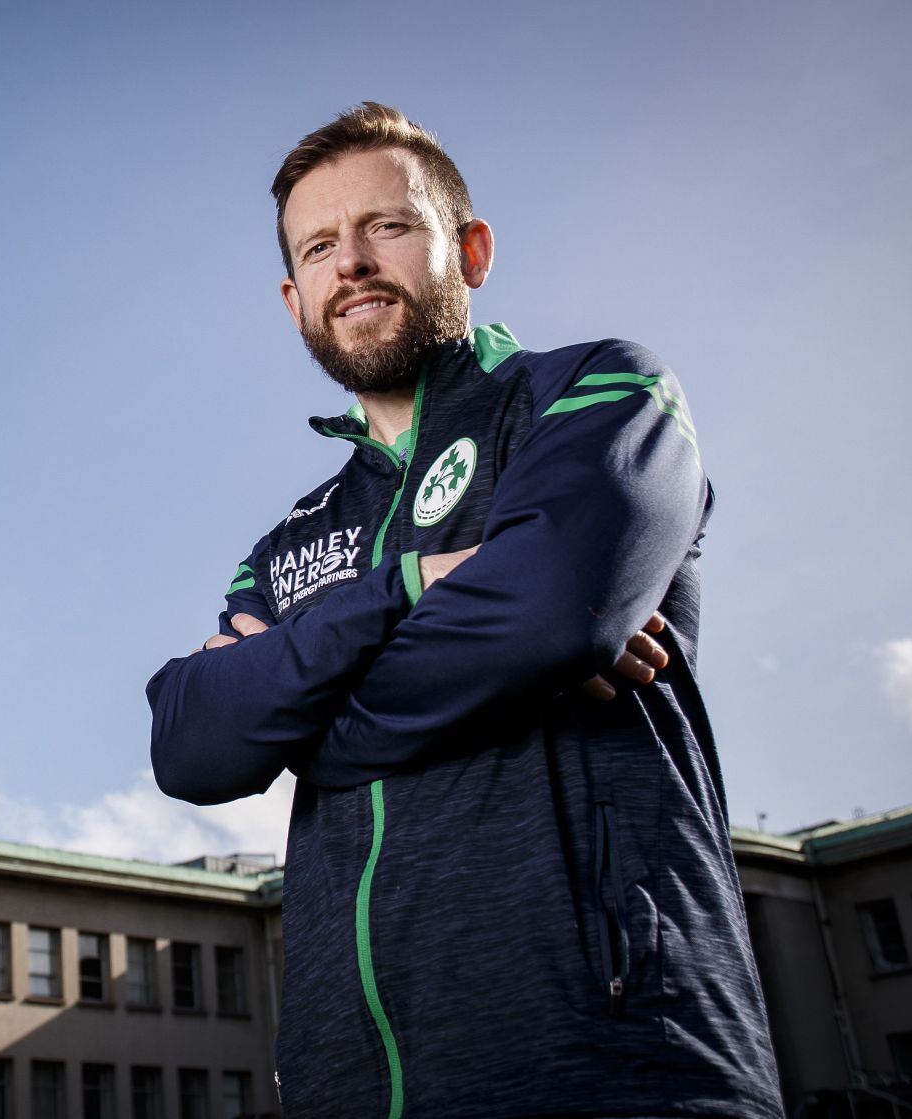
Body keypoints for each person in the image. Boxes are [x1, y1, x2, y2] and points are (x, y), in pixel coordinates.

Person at [146, 103, 783, 1118]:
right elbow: (192, 743)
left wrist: (310, 727)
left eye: (387, 227)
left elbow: (549, 614)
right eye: (319, 245)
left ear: (470, 250)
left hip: (612, 1065)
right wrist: (409, 587)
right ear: (294, 296)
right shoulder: (286, 545)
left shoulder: (596, 390)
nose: (350, 261)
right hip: (349, 1088)